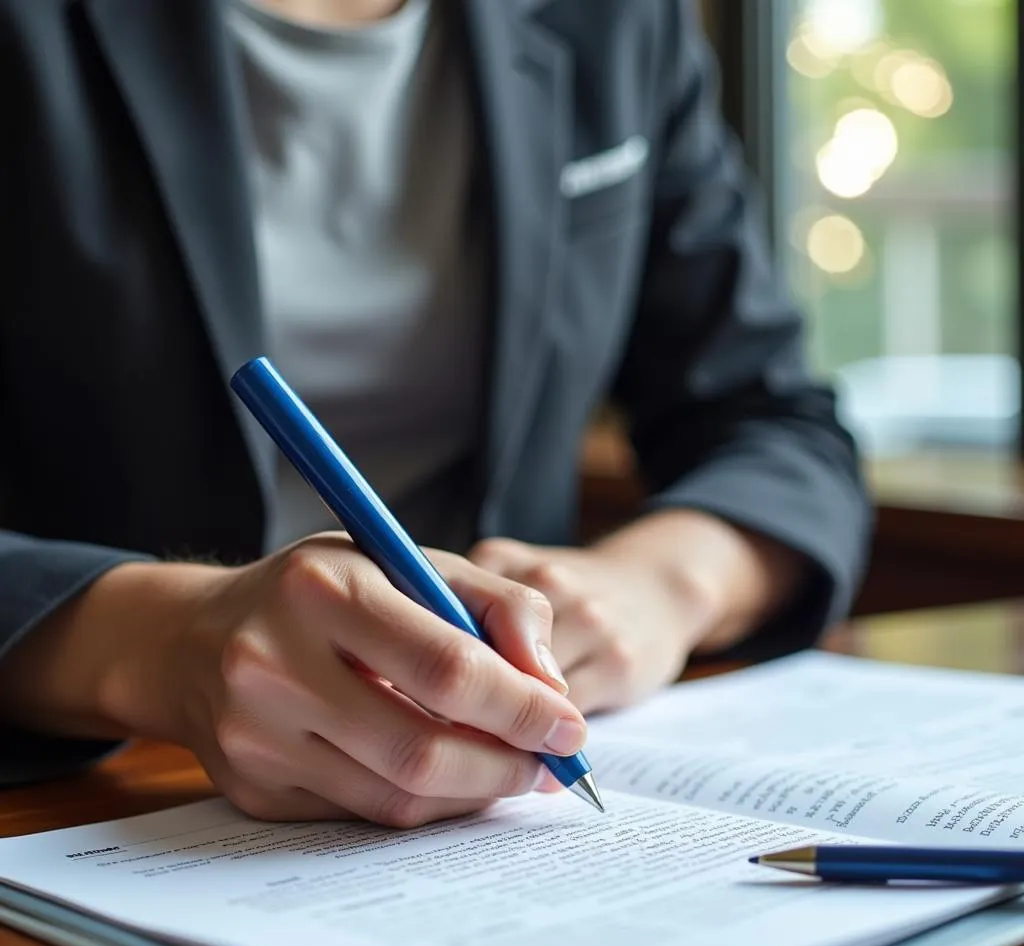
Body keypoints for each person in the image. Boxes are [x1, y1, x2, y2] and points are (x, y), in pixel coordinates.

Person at [0, 0, 870, 826]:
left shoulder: (614, 17)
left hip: (483, 791)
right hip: (94, 793)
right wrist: (160, 646)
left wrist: (662, 585)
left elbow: (775, 422)